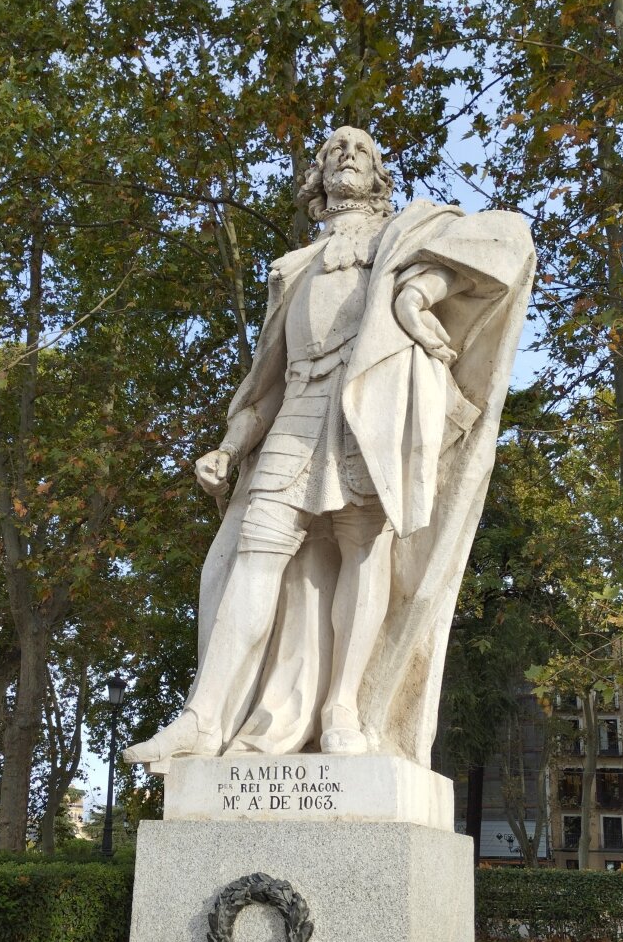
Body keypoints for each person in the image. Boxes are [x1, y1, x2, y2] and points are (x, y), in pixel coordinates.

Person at [125, 127, 535, 766]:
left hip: (369, 421)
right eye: (333, 150)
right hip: (295, 420)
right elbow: (265, 384)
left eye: (362, 151)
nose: (347, 154)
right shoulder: (293, 270)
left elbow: (508, 235)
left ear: (378, 177)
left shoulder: (411, 236)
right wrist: (229, 451)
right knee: (252, 561)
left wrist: (420, 288)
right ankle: (200, 720)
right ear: (316, 180)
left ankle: (343, 708)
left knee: (363, 553)